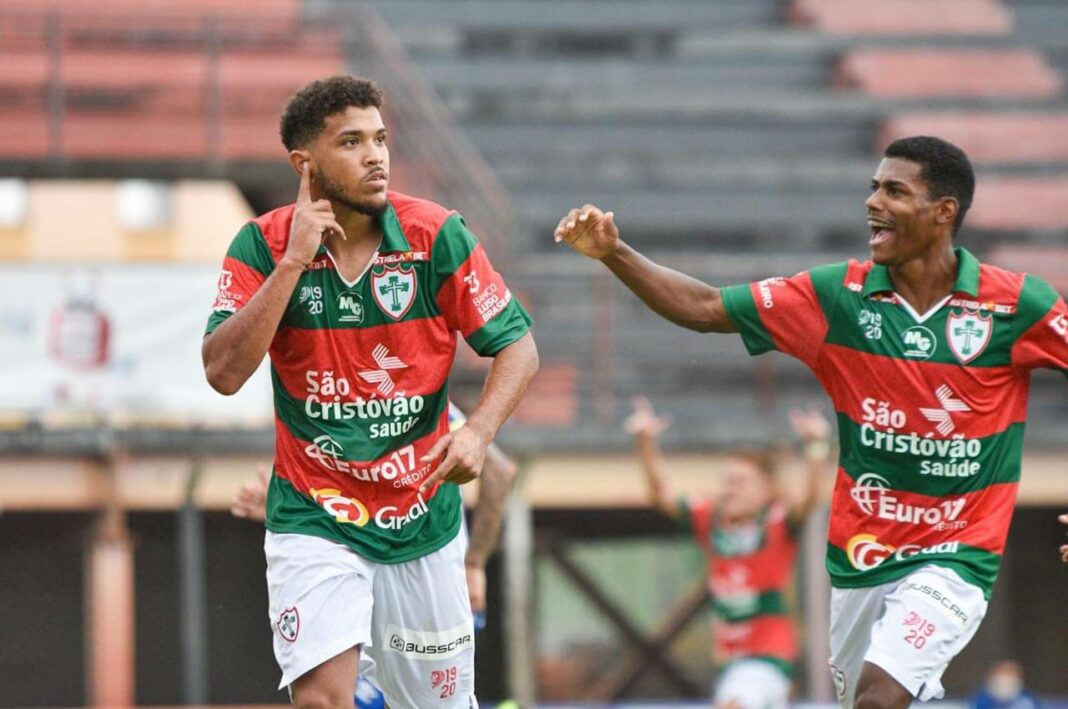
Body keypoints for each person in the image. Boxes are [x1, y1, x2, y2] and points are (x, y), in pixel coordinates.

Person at [554, 136, 1068, 709]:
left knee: (880, 697)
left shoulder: (1016, 304)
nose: (874, 202)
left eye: (895, 190)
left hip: (958, 553)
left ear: (943, 212)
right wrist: (614, 252)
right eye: (874, 188)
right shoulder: (834, 296)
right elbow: (703, 308)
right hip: (861, 555)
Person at [203, 75, 538, 709]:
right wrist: (291, 264)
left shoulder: (437, 234)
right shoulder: (260, 245)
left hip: (424, 524)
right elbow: (222, 372)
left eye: (380, 139)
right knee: (324, 700)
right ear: (306, 164)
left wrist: (478, 429)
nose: (375, 155)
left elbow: (517, 347)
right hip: (314, 518)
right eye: (352, 142)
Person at [232, 402, 520, 708]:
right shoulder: (398, 397)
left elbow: (500, 471)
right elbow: (500, 472)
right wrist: (475, 564)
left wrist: (473, 563)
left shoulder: (420, 401)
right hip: (419, 583)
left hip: (417, 578)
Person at [624, 397, 831, 709]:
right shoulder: (711, 522)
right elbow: (660, 494)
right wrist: (645, 442)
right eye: (726, 482)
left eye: (740, 482)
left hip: (767, 660)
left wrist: (816, 447)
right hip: (730, 662)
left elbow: (812, 497)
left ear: (765, 489)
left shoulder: (776, 524)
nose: (730, 489)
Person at [969, 660, 1037, 709]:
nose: (1005, 688)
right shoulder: (979, 701)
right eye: (1000, 684)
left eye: (1010, 684)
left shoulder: (1028, 701)